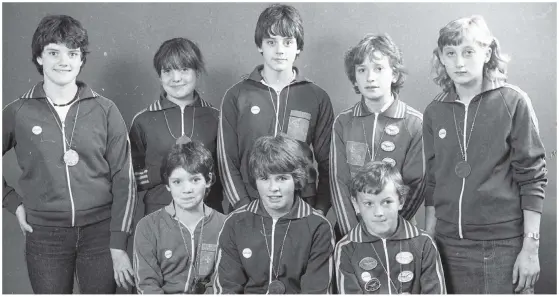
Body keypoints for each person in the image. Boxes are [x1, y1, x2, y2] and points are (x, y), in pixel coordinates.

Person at [2, 15, 136, 293]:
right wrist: (10, 200)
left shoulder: (105, 110)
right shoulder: (18, 112)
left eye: (72, 53)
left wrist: (118, 241)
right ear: (39, 58)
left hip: (101, 233)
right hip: (44, 237)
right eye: (54, 52)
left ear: (81, 59)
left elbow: (125, 178)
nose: (64, 61)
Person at [423, 15, 547, 294]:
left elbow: (532, 178)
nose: (459, 62)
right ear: (441, 58)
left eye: (468, 52)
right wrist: (429, 239)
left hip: (502, 246)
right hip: (447, 245)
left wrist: (530, 247)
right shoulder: (434, 111)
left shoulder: (513, 101)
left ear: (487, 53)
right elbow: (432, 180)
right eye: (450, 53)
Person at [217, 3, 334, 215]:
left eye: (287, 42)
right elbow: (226, 160)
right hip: (249, 204)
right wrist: (242, 206)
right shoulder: (236, 95)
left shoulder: (316, 97)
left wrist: (320, 209)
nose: (280, 51)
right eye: (271, 42)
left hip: (303, 206)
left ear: (298, 47)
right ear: (260, 46)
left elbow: (329, 163)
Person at [330, 33, 424, 239]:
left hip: (398, 232)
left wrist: (389, 230)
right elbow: (339, 182)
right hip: (351, 232)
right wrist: (354, 235)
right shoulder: (343, 122)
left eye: (379, 69)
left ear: (395, 74)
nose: (370, 78)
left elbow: (416, 185)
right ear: (354, 76)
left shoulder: (414, 123)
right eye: (362, 70)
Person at [213, 135, 334, 294]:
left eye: (282, 178)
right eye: (264, 178)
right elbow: (226, 288)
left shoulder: (319, 227)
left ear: (296, 179)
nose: (273, 188)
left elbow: (316, 291)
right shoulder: (235, 223)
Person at [130, 37, 222, 215]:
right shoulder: (144, 120)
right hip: (160, 215)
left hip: (207, 214)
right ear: (160, 76)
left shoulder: (216, 117)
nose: (176, 78)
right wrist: (165, 172)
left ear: (197, 72)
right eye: (167, 71)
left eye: (184, 69)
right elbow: (131, 177)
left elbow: (225, 172)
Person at [334, 161, 446, 294]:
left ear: (401, 201)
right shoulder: (346, 248)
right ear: (356, 204)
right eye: (368, 203)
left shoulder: (424, 244)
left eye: (387, 202)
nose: (379, 212)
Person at [133, 141, 226, 294]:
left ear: (208, 180)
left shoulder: (224, 225)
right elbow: (147, 285)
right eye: (177, 182)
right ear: (168, 184)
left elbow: (221, 283)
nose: (187, 189)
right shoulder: (148, 227)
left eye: (195, 180)